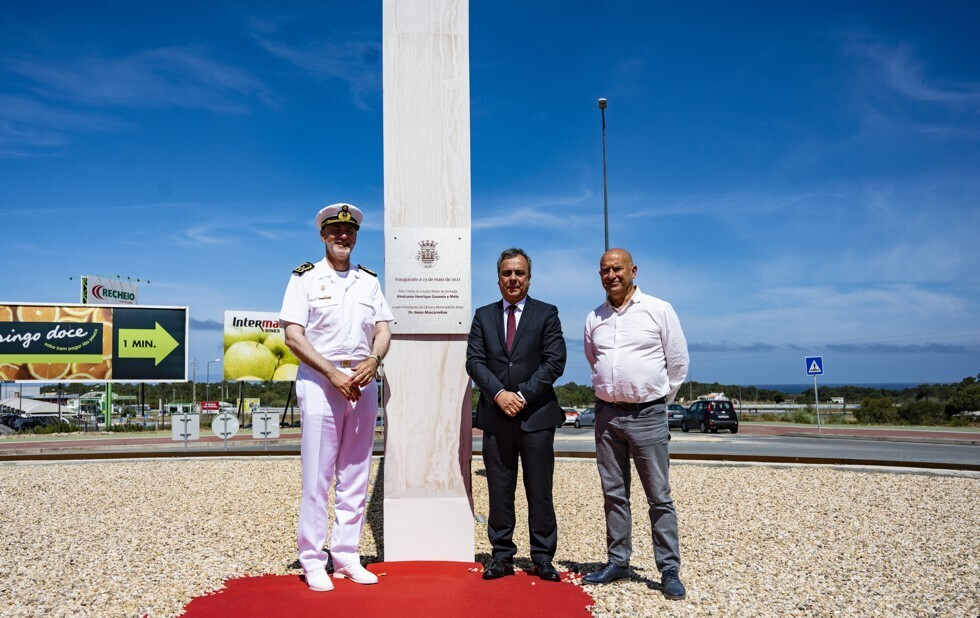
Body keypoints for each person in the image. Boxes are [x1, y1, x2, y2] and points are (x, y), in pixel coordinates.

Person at [280, 202, 393, 592]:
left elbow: (383, 328)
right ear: (324, 236)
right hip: (320, 381)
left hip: (363, 381)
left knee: (356, 473)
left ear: (356, 237)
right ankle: (313, 558)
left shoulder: (369, 281)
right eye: (335, 232)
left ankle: (346, 555)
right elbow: (293, 335)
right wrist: (331, 372)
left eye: (349, 232)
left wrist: (374, 359)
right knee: (317, 475)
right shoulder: (305, 278)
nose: (342, 237)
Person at [581, 248, 690, 601]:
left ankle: (669, 569)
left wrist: (655, 401)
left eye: (617, 268)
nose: (611, 275)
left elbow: (678, 364)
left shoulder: (659, 310)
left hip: (648, 415)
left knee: (658, 496)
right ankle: (618, 561)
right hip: (607, 416)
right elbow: (593, 359)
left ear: (633, 270)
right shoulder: (594, 318)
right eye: (604, 270)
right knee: (614, 494)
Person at [466, 248, 567, 582]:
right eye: (507, 273)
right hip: (495, 418)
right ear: (498, 278)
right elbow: (474, 361)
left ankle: (542, 557)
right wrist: (499, 394)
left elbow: (554, 361)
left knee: (539, 491)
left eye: (519, 273)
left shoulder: (546, 314)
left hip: (536, 417)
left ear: (529, 277)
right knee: (499, 489)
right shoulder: (483, 316)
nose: (513, 279)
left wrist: (521, 395)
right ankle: (502, 556)